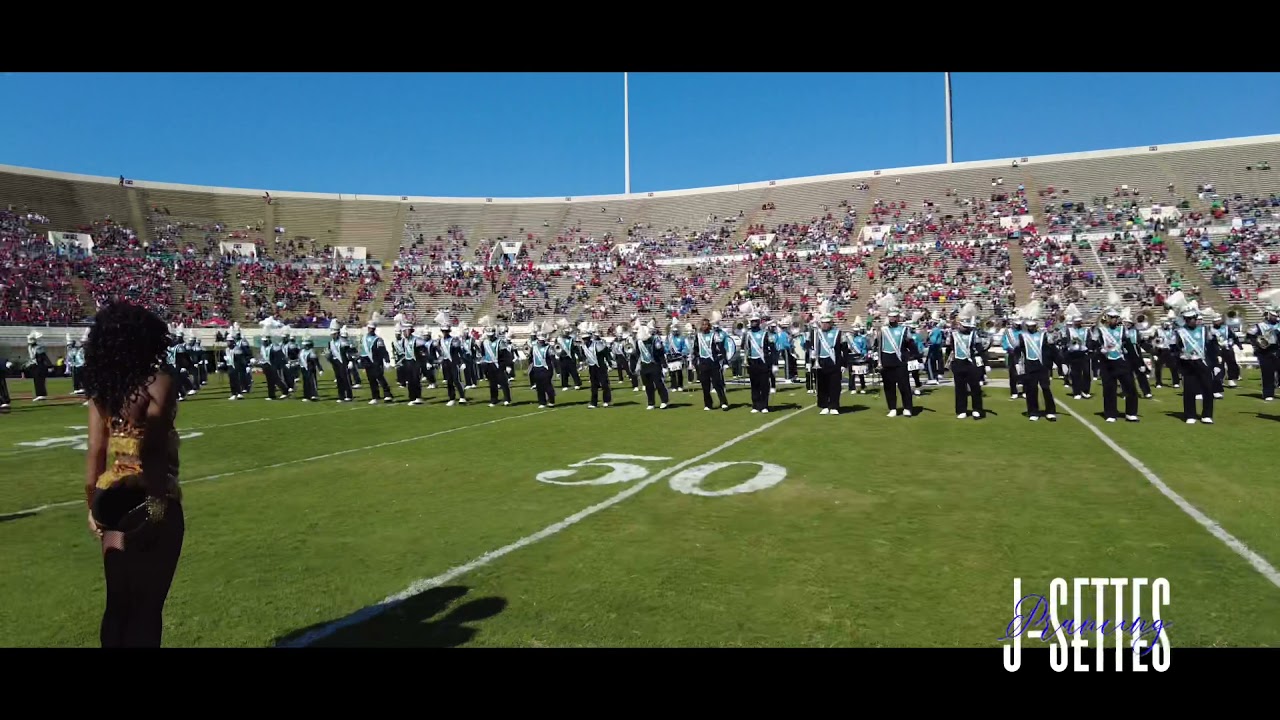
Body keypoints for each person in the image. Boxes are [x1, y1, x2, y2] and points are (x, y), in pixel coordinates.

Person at [81, 302, 185, 648]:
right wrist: (156, 511)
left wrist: (91, 507)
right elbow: (153, 450)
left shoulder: (103, 391)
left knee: (118, 603)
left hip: (111, 503)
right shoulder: (160, 383)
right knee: (147, 606)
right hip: (152, 498)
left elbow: (95, 451)